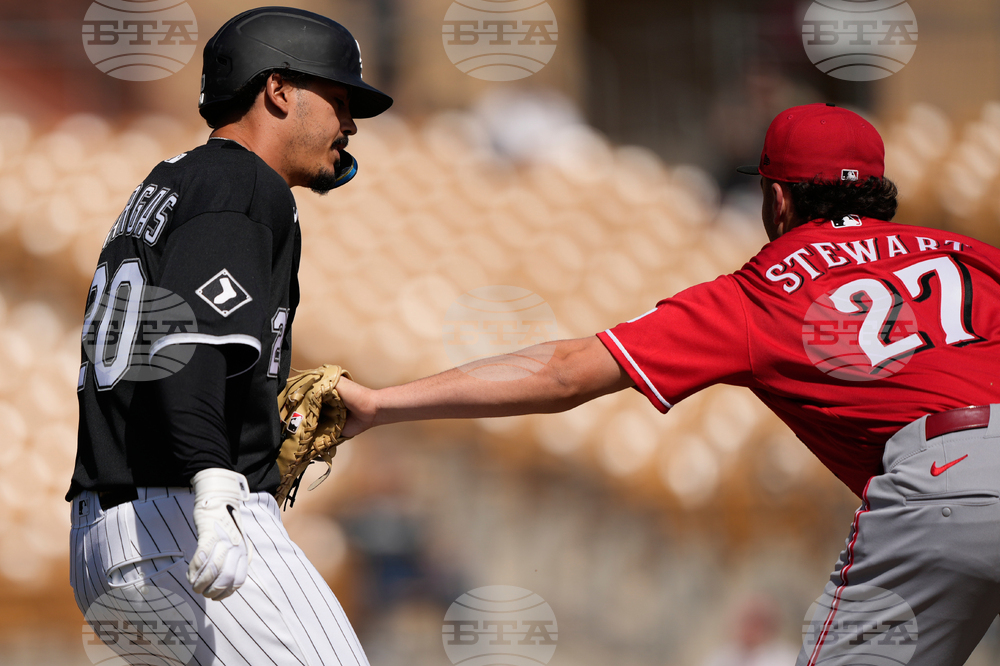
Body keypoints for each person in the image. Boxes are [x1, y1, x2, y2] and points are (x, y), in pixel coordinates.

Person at [338, 103, 1000, 666]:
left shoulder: (759, 291)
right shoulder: (973, 254)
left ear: (777, 198)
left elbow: (567, 372)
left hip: (944, 484)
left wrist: (380, 402)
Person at [68, 7, 391, 665]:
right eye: (339, 98)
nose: (351, 124)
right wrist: (214, 487)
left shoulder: (172, 183)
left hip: (111, 537)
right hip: (185, 520)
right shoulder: (242, 181)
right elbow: (185, 345)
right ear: (278, 90)